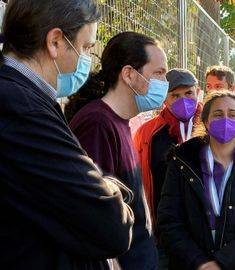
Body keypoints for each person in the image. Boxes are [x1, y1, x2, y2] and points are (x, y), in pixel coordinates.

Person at [0, 1, 134, 269]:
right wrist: (108, 186)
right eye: (85, 47)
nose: (86, 58)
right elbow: (110, 225)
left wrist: (98, 184)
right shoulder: (21, 109)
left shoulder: (25, 98)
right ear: (56, 42)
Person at [66, 31, 167, 270]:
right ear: (129, 75)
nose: (165, 82)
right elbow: (94, 218)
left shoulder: (119, 121)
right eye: (159, 73)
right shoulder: (98, 124)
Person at [157, 90, 235, 270]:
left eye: (232, 114)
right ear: (206, 121)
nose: (226, 120)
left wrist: (223, 262)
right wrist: (201, 263)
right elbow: (169, 222)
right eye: (218, 114)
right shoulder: (181, 163)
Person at [134, 68, 203, 268]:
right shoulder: (148, 133)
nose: (183, 100)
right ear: (165, 98)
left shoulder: (212, 125)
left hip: (207, 231)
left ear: (197, 92)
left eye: (188, 93)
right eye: (175, 95)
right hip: (165, 231)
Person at [205, 65, 235, 134]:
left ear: (231, 89)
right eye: (208, 86)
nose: (212, 91)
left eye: (218, 86)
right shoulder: (197, 117)